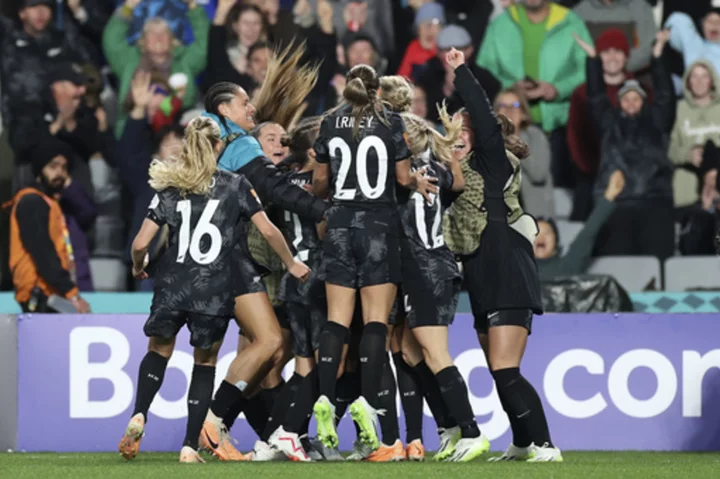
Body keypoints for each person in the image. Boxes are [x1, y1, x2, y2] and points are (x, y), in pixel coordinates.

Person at [117, 116, 308, 463]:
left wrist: (137, 265)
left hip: (173, 286)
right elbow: (266, 231)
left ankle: (140, 413)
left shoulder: (171, 187)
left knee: (158, 351)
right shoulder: (236, 184)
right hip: (213, 289)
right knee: (204, 365)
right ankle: (190, 446)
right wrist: (292, 263)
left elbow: (140, 242)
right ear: (219, 146)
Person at [199, 45, 325, 461]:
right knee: (270, 344)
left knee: (257, 352)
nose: (250, 107)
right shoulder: (240, 146)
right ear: (224, 107)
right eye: (244, 102)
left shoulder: (202, 143)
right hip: (236, 259)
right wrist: (328, 212)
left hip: (202, 258)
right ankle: (214, 426)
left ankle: (254, 435)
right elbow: (273, 191)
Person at [444, 47, 562, 462]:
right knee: (498, 368)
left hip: (507, 265)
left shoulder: (494, 159)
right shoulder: (452, 172)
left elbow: (478, 107)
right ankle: (524, 441)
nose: (457, 135)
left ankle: (545, 445)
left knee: (506, 367)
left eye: (464, 129)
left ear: (480, 133)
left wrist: (461, 72)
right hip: (479, 270)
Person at [310, 63, 434, 455]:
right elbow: (401, 179)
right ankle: (366, 401)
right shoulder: (391, 121)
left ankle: (326, 398)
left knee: (337, 319)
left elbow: (319, 184)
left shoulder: (329, 122)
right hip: (379, 225)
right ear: (377, 89)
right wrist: (415, 179)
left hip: (341, 223)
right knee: (376, 320)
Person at [574, 31, 676, 260]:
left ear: (643, 101)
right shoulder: (609, 123)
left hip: (654, 200)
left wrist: (658, 56)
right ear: (619, 102)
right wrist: (593, 60)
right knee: (616, 263)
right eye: (626, 98)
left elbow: (665, 95)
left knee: (657, 262)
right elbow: (596, 97)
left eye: (636, 97)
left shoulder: (657, 122)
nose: (631, 102)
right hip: (615, 202)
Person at [7, 138, 91, 313]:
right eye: (53, 166)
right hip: (38, 294)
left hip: (52, 293)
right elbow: (43, 252)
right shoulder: (31, 202)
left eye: (64, 167)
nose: (59, 173)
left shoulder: (48, 202)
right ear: (40, 170)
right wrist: (71, 292)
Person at [535, 170, 625, 279]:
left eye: (547, 233)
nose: (540, 237)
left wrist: (609, 195)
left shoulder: (567, 266)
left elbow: (588, 234)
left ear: (555, 244)